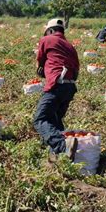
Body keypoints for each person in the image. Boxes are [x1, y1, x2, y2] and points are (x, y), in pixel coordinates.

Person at [33, 18, 80, 161]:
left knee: (40, 119)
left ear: (51, 30)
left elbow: (40, 61)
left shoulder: (47, 40)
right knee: (55, 119)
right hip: (70, 86)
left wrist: (42, 70)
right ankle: (58, 156)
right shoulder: (70, 46)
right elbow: (77, 69)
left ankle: (62, 146)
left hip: (57, 84)